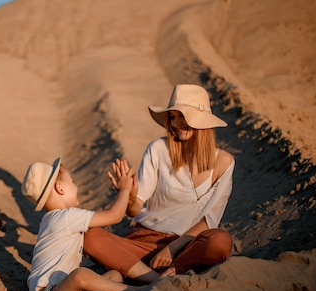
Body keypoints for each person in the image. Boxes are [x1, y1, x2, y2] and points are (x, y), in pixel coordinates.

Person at [84, 84, 234, 280]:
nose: (176, 123)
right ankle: (154, 278)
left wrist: (172, 249)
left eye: (183, 116)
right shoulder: (158, 149)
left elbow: (209, 220)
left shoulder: (224, 163)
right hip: (145, 243)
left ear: (202, 122)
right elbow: (135, 209)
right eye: (173, 116)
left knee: (220, 241)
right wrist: (128, 195)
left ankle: (166, 271)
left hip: (187, 247)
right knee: (89, 236)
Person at [21, 157, 152, 291]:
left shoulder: (50, 220)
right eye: (72, 181)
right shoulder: (65, 217)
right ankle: (137, 290)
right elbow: (115, 216)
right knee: (80, 275)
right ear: (60, 188)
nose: (75, 186)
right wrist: (124, 189)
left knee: (114, 275)